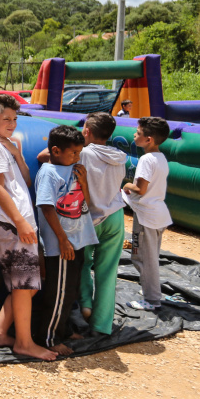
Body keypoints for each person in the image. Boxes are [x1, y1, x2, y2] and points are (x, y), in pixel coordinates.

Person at [0, 94, 58, 361]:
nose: (12, 124)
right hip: (13, 224)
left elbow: (25, 180)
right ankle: (24, 343)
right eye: (6, 119)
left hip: (19, 221)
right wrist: (21, 222)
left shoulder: (7, 146)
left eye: (14, 119)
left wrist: (17, 153)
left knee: (27, 286)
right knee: (25, 286)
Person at [32, 125, 96, 355]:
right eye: (74, 152)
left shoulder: (74, 168)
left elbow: (87, 203)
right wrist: (62, 240)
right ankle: (48, 338)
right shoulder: (49, 173)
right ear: (56, 151)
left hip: (77, 239)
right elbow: (46, 207)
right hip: (62, 245)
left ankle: (64, 330)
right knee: (58, 293)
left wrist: (84, 182)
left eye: (80, 152)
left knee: (70, 291)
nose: (77, 157)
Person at [76, 113, 127, 335]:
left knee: (82, 262)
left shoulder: (83, 153)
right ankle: (102, 324)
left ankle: (85, 304)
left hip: (88, 217)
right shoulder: (120, 157)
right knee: (108, 270)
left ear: (87, 131)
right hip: (115, 216)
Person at [122, 117, 171, 311]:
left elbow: (141, 189)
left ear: (148, 139)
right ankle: (151, 292)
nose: (135, 135)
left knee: (142, 258)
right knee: (150, 257)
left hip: (147, 216)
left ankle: (152, 300)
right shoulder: (161, 157)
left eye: (138, 132)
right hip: (158, 214)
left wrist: (127, 185)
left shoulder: (146, 159)